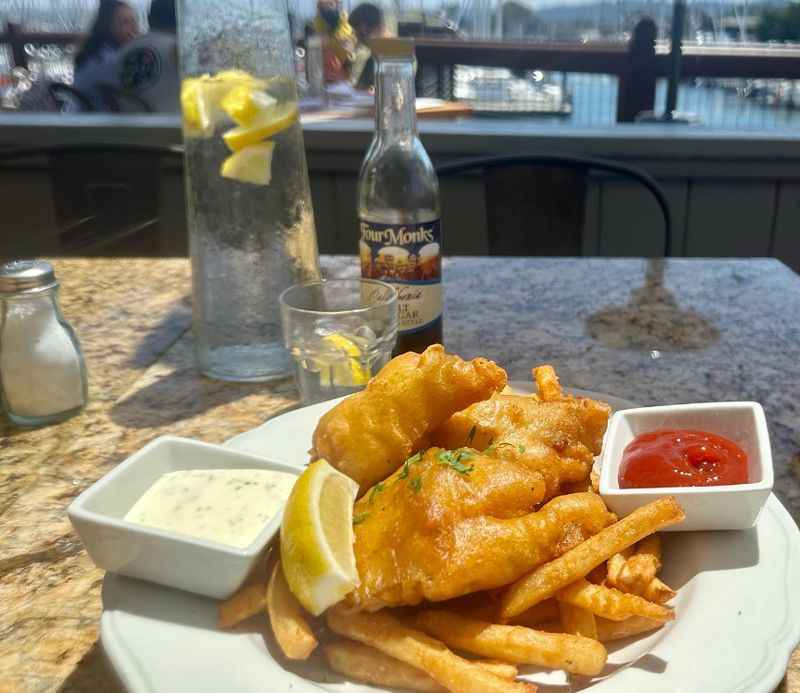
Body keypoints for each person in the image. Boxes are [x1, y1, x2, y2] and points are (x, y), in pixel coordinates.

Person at [112, 0, 179, 112]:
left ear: (148, 18)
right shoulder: (179, 50)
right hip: (169, 127)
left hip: (127, 125)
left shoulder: (124, 51)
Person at [72, 0, 139, 110]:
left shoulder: (93, 53)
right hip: (96, 124)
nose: (134, 28)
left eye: (134, 21)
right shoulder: (111, 61)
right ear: (108, 26)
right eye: (125, 23)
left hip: (77, 119)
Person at [312, 0, 356, 83]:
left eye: (330, 4)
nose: (327, 8)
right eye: (323, 6)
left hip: (344, 77)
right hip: (326, 79)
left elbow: (352, 54)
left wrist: (350, 52)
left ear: (337, 4)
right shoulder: (318, 26)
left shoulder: (347, 26)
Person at [348, 3, 386, 90]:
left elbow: (360, 90)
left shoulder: (381, 59)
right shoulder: (373, 57)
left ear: (363, 29)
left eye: (354, 30)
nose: (354, 36)